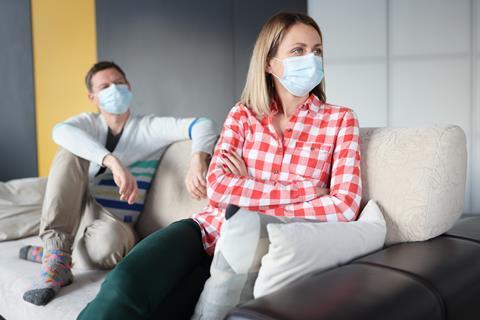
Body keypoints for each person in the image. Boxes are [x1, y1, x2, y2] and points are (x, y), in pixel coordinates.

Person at [77, 12, 361, 320]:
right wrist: (306, 190)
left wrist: (246, 192)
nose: (311, 58)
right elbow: (218, 189)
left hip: (253, 251)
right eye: (298, 50)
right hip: (205, 229)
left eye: (317, 50)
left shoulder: (340, 120)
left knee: (164, 310)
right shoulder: (242, 115)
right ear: (269, 62)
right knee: (123, 284)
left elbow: (344, 208)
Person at [16, 61, 218, 306]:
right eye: (105, 86)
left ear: (129, 87)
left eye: (119, 83)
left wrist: (198, 159)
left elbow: (203, 124)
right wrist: (111, 161)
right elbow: (60, 131)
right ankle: (56, 257)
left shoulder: (149, 128)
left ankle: (54, 255)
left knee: (110, 244)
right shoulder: (87, 124)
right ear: (93, 97)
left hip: (113, 226)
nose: (114, 89)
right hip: (79, 214)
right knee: (69, 150)